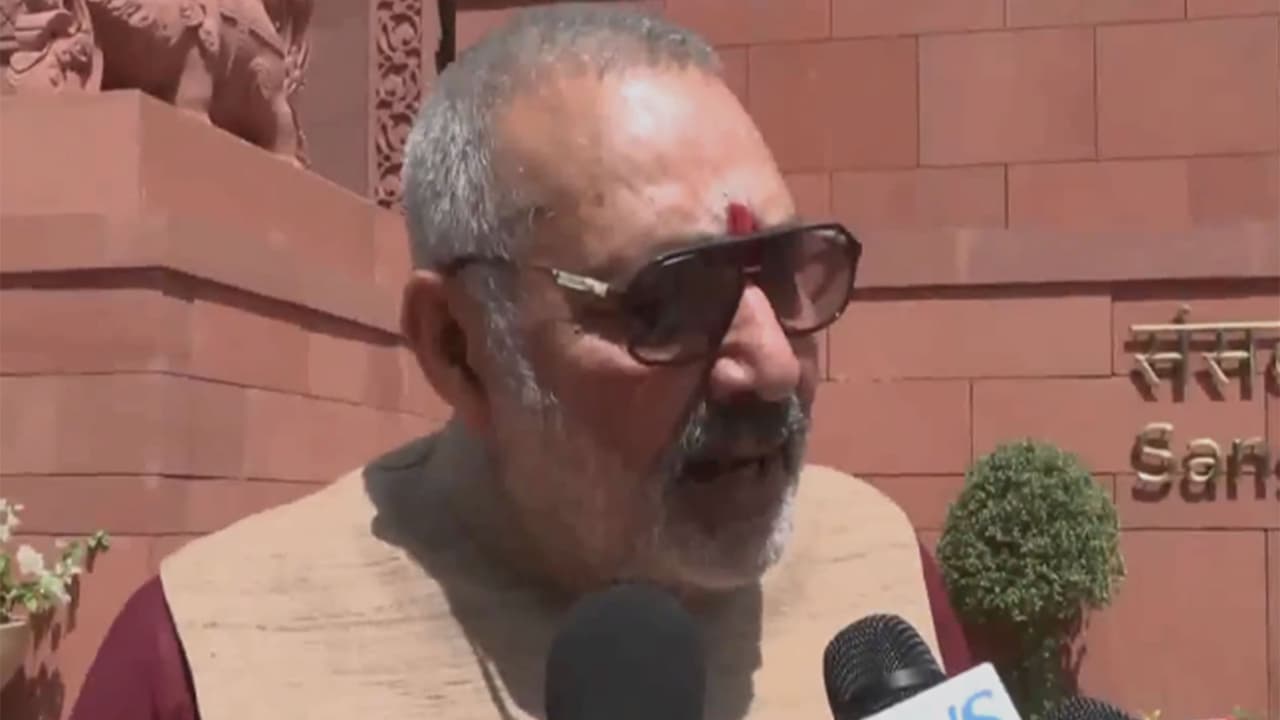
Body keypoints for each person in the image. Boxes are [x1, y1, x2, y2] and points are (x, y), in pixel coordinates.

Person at [69, 5, 973, 719]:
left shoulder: (880, 579)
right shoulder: (206, 663)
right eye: (667, 301)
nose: (773, 365)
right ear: (459, 348)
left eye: (781, 273)